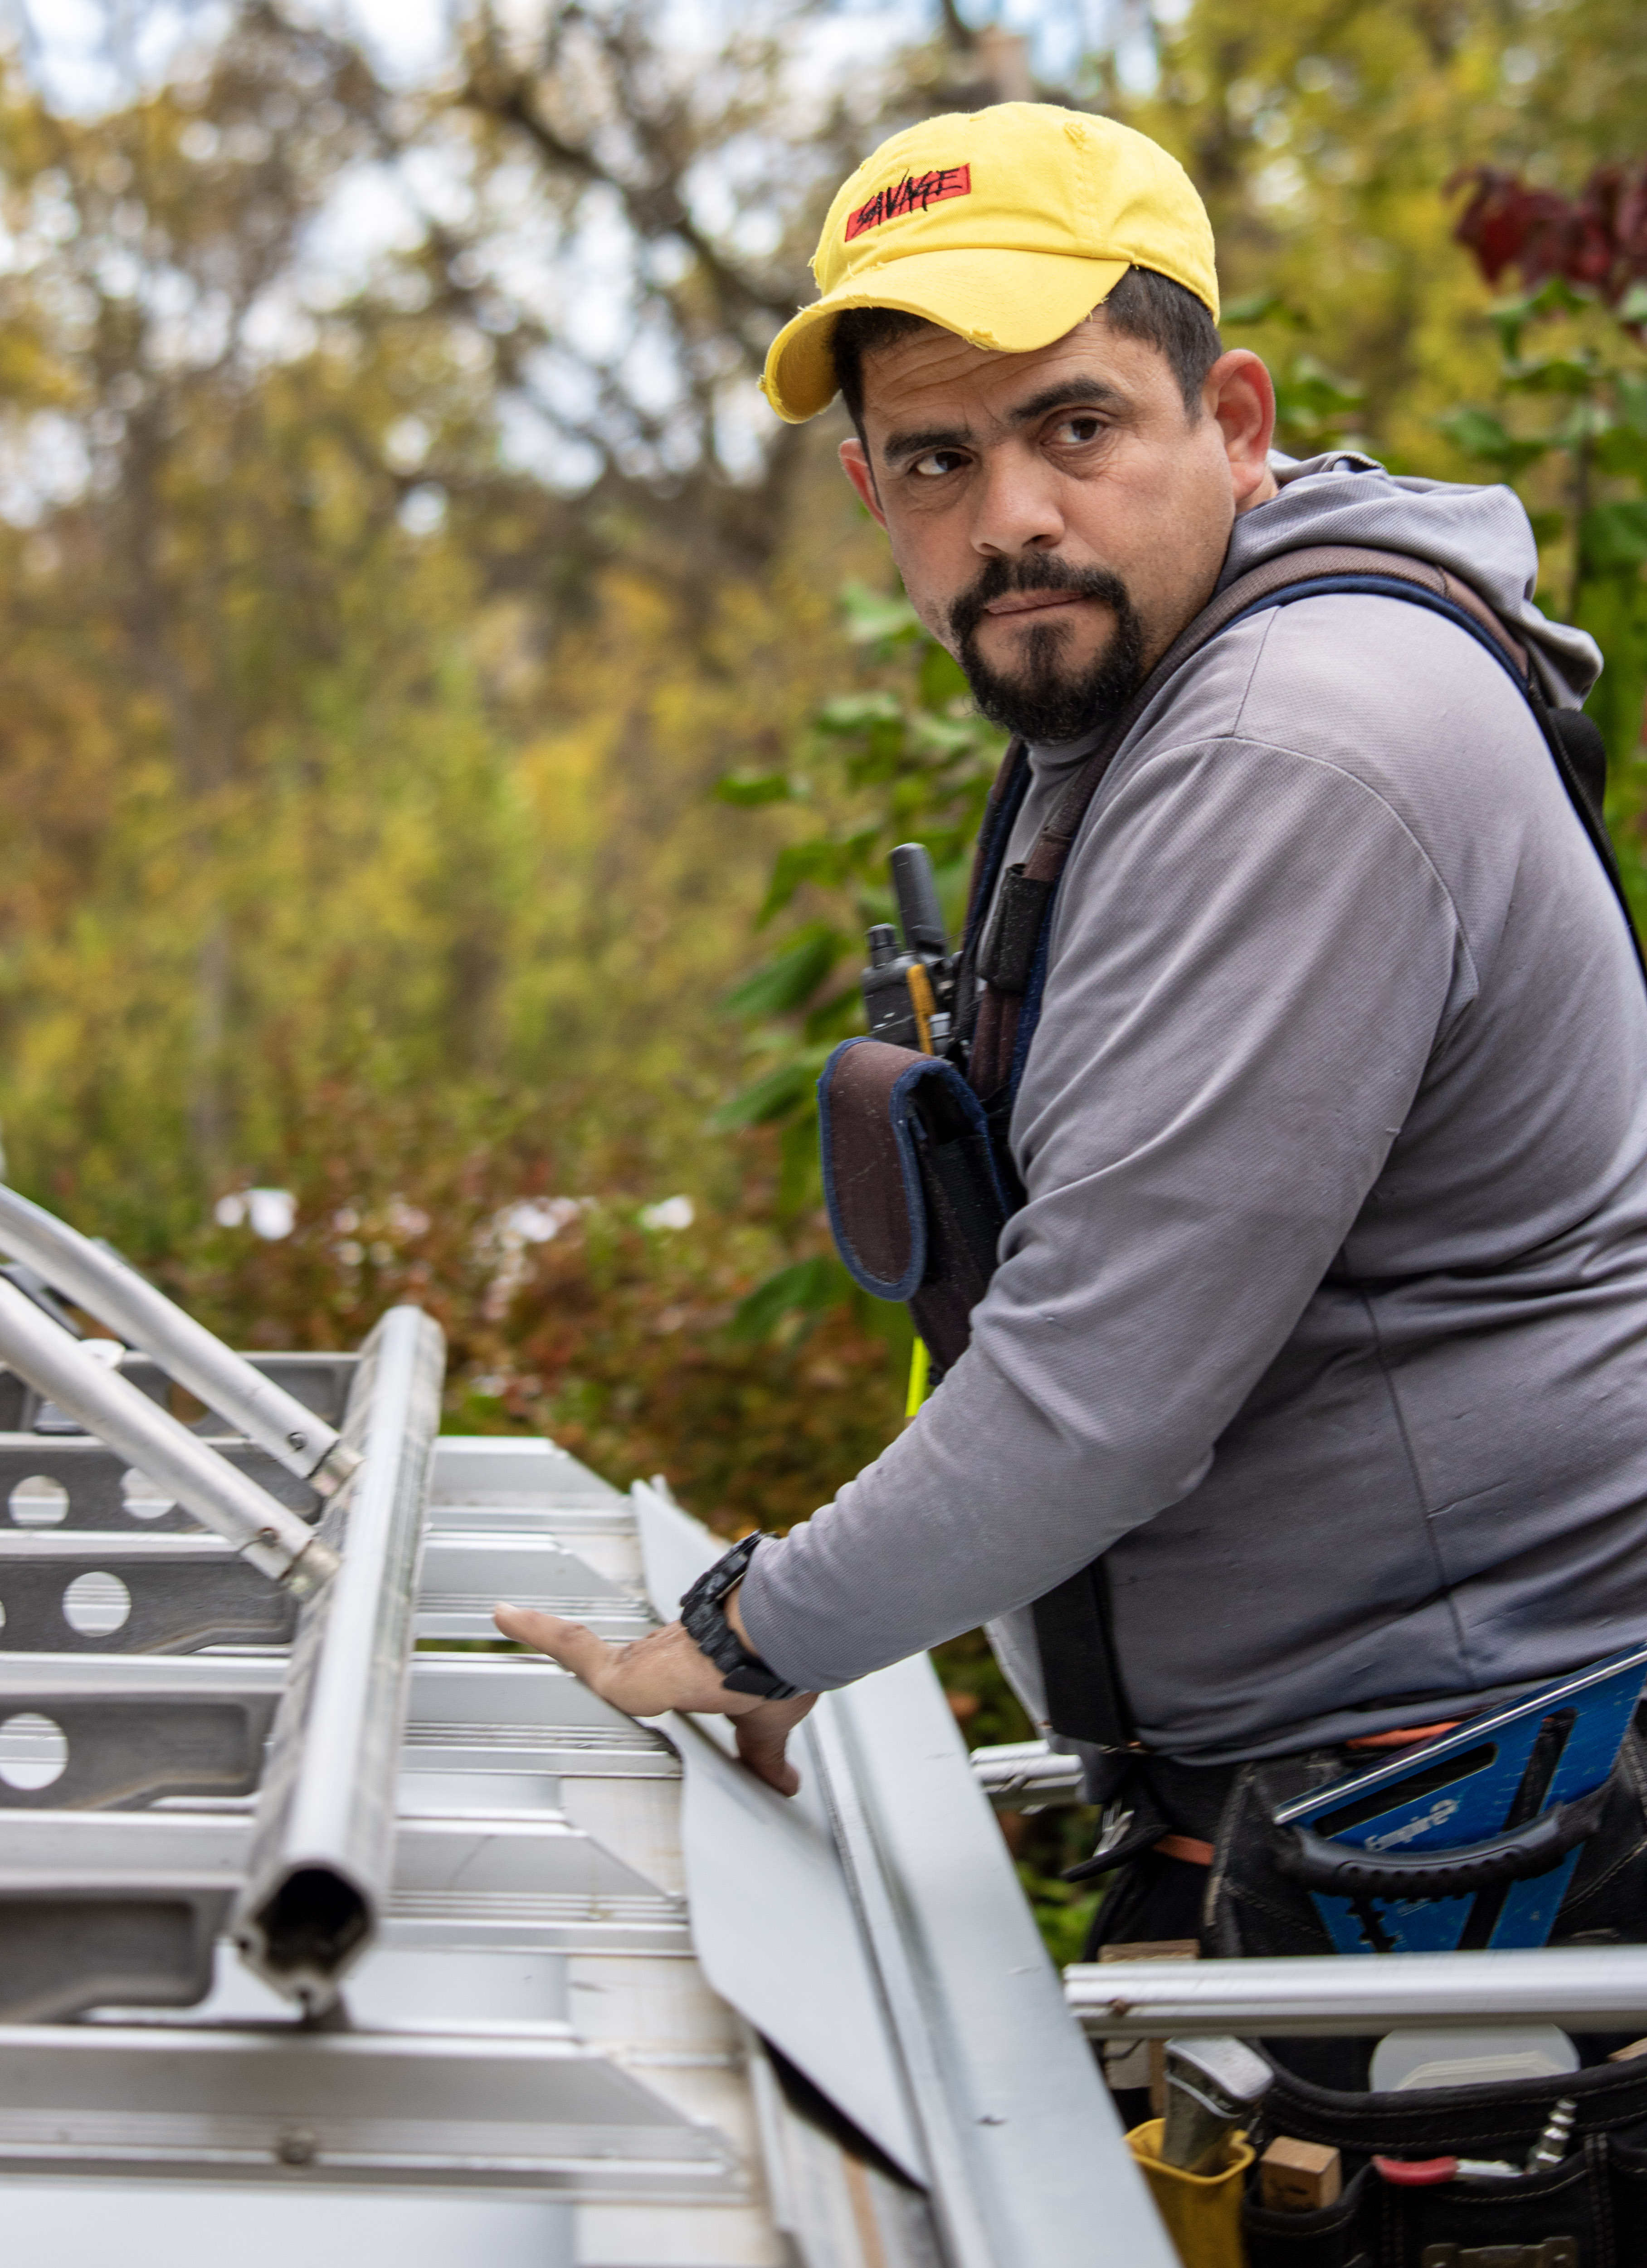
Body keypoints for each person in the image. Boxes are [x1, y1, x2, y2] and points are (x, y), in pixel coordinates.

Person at [497, 101, 1647, 1958]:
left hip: (1473, 1836)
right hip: (1343, 1792)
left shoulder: (1291, 745)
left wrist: (744, 1634)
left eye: (1077, 428)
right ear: (871, 494)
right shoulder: (1149, 692)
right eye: (938, 459)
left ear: (1234, 424)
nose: (1012, 516)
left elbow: (1099, 1389)